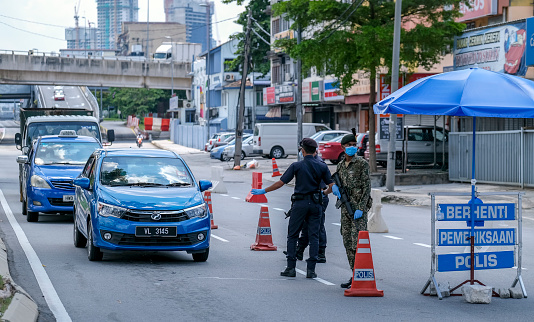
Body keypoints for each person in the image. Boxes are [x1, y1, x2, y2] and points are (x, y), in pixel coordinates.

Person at [251, 138, 334, 278]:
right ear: (315, 151)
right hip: (315, 204)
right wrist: (323, 193)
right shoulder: (323, 166)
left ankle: (291, 268)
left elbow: (280, 183)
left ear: (303, 151)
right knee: (314, 236)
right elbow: (331, 186)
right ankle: (311, 270)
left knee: (293, 235)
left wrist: (263, 191)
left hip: (300, 204)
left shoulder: (296, 166)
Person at [332, 133, 372, 289]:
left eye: (354, 145)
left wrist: (361, 208)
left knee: (359, 243)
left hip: (357, 209)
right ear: (343, 147)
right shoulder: (340, 165)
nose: (352, 147)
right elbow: (338, 183)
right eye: (349, 145)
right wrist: (334, 188)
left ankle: (362, 275)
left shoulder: (362, 163)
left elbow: (367, 187)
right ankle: (354, 273)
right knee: (347, 241)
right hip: (345, 208)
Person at [292, 153, 329, 263]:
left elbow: (324, 187)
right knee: (306, 225)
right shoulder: (310, 163)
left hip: (318, 198)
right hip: (312, 198)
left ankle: (320, 253)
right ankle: (300, 250)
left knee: (317, 226)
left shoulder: (317, 165)